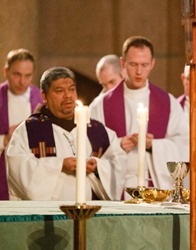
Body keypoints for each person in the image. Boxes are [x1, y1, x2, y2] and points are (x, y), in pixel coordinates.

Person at [6, 67, 127, 200]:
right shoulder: (28, 130)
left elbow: (119, 160)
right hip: (49, 215)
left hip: (90, 213)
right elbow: (18, 167)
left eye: (71, 89)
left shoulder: (97, 130)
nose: (68, 95)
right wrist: (60, 165)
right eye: (59, 91)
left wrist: (97, 166)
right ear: (44, 96)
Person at [90, 36, 189, 196]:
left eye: (144, 65)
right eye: (133, 64)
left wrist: (154, 145)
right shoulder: (100, 105)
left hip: (155, 187)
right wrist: (118, 146)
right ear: (122, 63)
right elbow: (90, 150)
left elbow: (184, 145)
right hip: (117, 188)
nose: (139, 71)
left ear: (152, 64)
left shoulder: (168, 103)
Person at [0, 48, 43, 200]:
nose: (22, 81)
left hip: (31, 172)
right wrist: (4, 139)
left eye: (28, 76)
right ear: (6, 71)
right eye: (17, 74)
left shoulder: (41, 99)